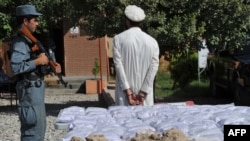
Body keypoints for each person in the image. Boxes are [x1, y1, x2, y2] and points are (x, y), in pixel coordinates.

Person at [9, 5, 61, 141]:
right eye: (35, 20)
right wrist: (38, 62)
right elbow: (15, 67)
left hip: (34, 90)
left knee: (39, 128)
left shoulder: (29, 41)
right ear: (26, 21)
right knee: (32, 132)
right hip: (28, 90)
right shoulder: (20, 42)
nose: (37, 23)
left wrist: (51, 65)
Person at [113, 5, 159, 106]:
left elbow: (118, 66)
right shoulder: (153, 42)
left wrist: (128, 92)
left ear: (127, 21)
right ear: (141, 23)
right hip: (145, 98)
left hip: (124, 97)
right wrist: (142, 93)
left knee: (123, 121)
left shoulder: (118, 39)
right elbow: (153, 69)